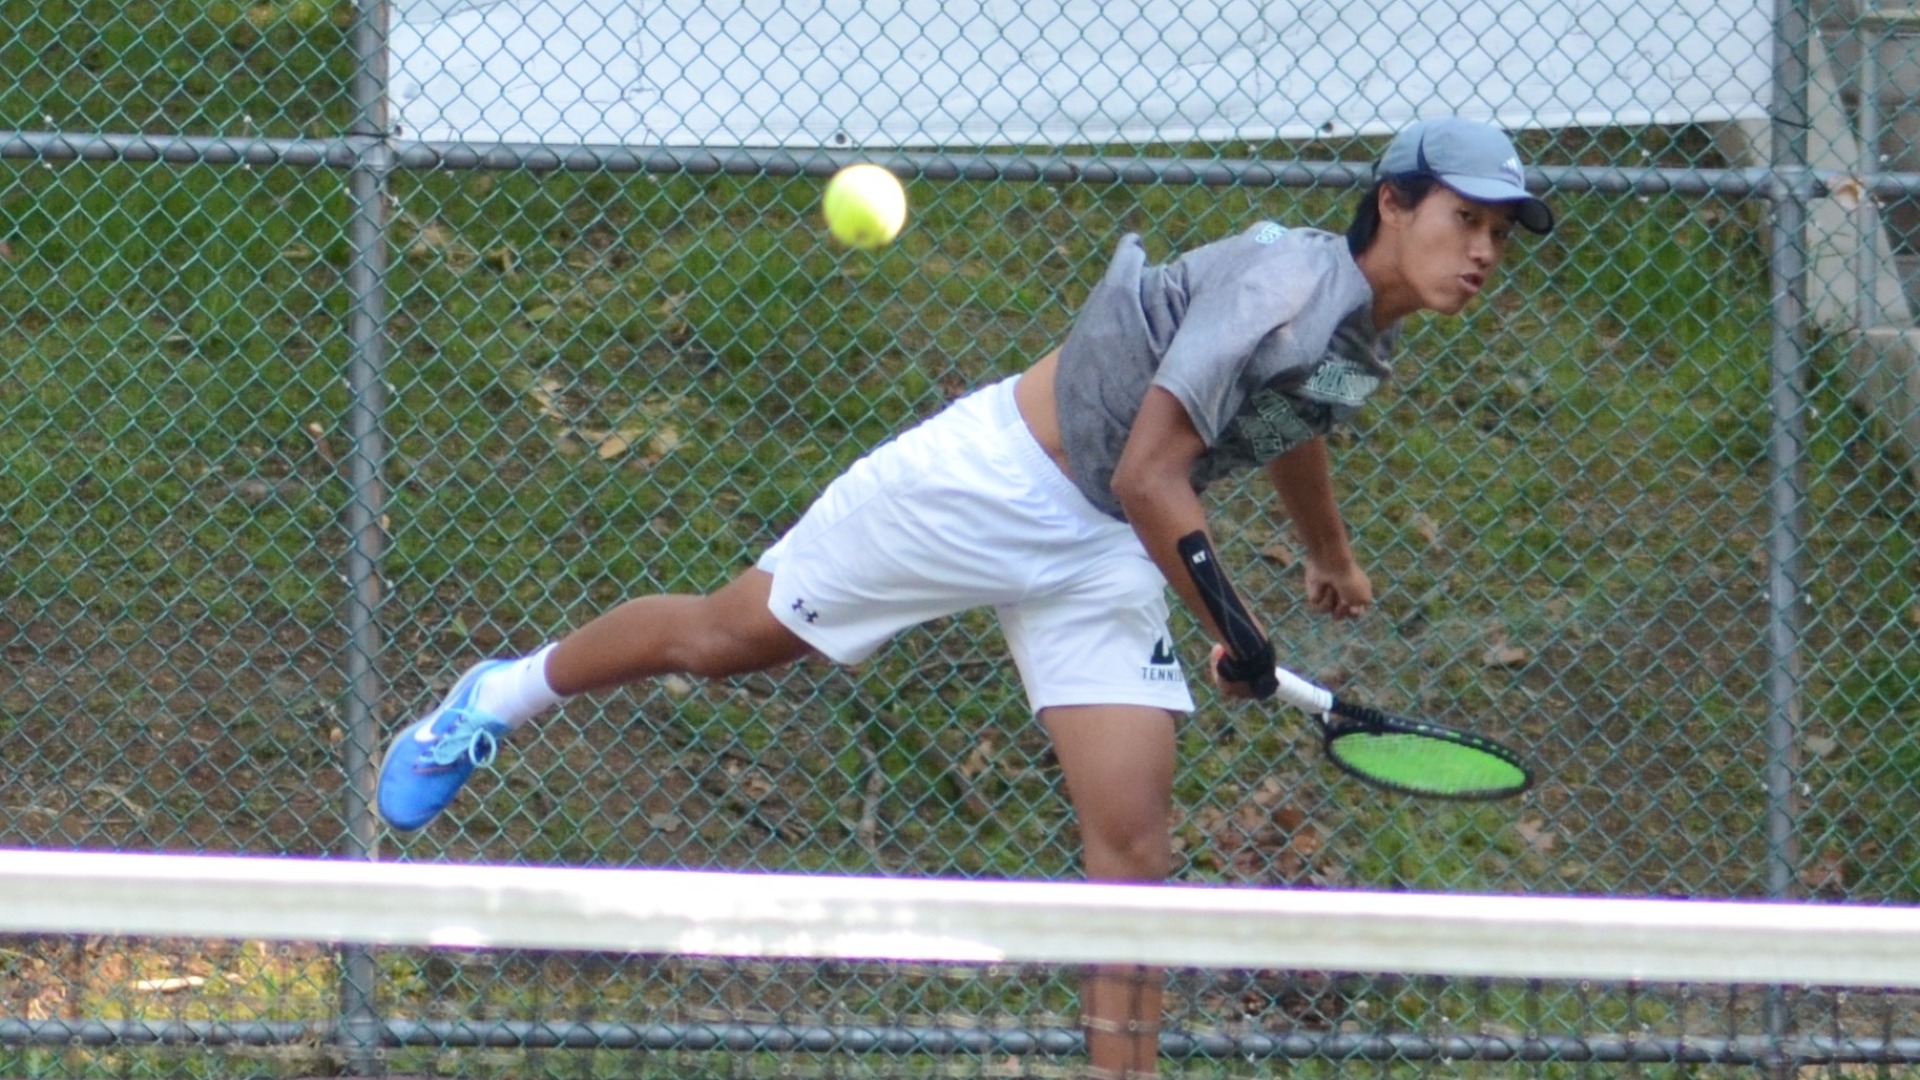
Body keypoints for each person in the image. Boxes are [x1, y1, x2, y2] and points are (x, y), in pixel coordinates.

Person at [375, 116, 1552, 1079]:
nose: (1486, 250)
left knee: (1134, 846)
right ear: (1393, 203)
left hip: (1102, 549)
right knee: (725, 638)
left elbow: (1292, 427)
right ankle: (499, 696)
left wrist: (1328, 555)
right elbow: (1155, 470)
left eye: (1502, 230)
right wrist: (1234, 631)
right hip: (991, 484)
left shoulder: (1361, 335)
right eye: (1466, 219)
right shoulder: (1285, 284)